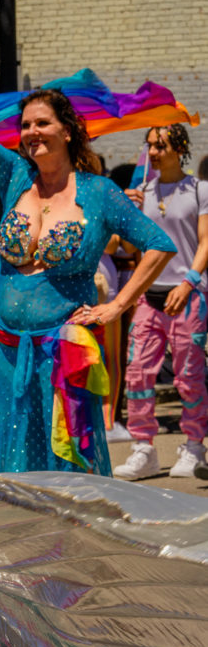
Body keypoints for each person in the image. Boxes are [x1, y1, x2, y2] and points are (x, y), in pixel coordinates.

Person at [0, 38, 176, 474]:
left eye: (41, 123)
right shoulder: (15, 175)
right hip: (8, 345)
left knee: (69, 453)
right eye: (25, 126)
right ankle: (32, 542)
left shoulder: (98, 193)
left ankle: (75, 539)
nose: (30, 133)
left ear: (68, 129)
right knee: (19, 453)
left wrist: (116, 306)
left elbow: (159, 246)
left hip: (64, 347)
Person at [116, 124, 208, 480]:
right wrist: (127, 213)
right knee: (138, 372)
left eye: (161, 145)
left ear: (179, 147)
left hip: (187, 295)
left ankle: (194, 445)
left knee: (189, 376)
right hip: (148, 297)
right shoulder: (142, 191)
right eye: (150, 144)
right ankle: (143, 448)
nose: (153, 151)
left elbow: (204, 243)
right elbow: (126, 249)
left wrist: (189, 283)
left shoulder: (199, 190)